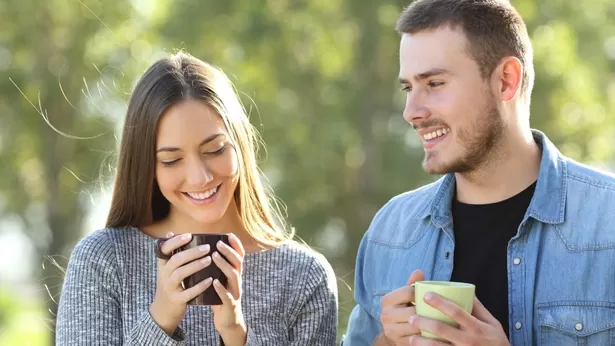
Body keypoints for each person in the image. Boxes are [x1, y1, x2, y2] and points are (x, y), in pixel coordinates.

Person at [343, 0, 615, 345]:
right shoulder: (389, 233)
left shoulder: (609, 222)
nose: (411, 112)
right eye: (408, 88)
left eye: (435, 83)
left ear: (505, 81)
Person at [55, 52, 338, 345]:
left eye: (215, 150)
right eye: (172, 160)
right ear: (147, 167)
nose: (199, 177)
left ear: (239, 145)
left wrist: (236, 335)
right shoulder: (104, 261)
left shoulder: (304, 277)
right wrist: (160, 319)